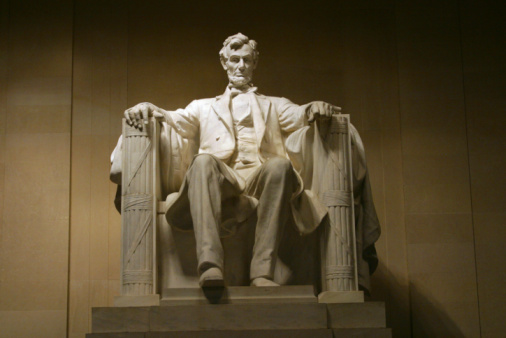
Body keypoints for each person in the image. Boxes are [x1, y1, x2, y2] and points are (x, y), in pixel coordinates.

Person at [124, 33, 343, 288]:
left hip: (261, 176)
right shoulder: (203, 106)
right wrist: (149, 108)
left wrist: (313, 107)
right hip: (222, 177)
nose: (241, 66)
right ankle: (210, 266)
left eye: (247, 61)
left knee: (281, 165)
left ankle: (262, 272)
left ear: (254, 64)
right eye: (235, 59)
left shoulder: (274, 104)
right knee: (203, 161)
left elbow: (298, 114)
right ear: (224, 62)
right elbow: (174, 118)